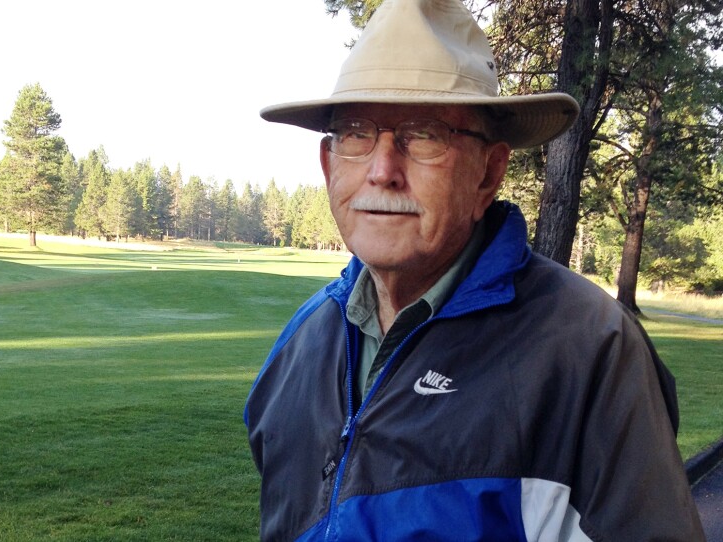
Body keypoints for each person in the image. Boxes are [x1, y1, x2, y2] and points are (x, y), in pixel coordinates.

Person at [243, 0, 706, 540]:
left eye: (424, 135)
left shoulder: (589, 351)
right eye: (355, 133)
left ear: (488, 174)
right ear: (328, 166)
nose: (383, 170)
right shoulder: (301, 345)